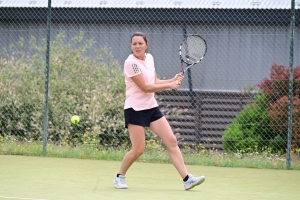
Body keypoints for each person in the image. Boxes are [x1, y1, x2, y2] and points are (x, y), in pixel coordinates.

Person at [114, 32, 205, 190]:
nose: (137, 46)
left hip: (151, 107)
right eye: (134, 44)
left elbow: (154, 81)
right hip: (134, 109)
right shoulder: (131, 63)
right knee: (138, 149)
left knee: (172, 141)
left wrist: (171, 80)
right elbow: (145, 87)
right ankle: (119, 177)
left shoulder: (149, 58)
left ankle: (187, 179)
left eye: (140, 43)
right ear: (131, 46)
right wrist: (169, 85)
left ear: (146, 45)